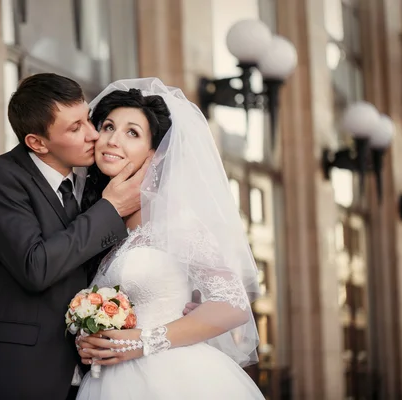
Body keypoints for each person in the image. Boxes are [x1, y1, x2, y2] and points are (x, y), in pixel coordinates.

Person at [0, 73, 149, 400]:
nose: (93, 134)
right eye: (75, 128)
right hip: (18, 375)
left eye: (89, 119)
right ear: (37, 142)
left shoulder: (84, 184)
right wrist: (111, 207)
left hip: (88, 376)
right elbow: (36, 266)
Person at [75, 78, 264, 399]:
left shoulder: (175, 221)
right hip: (108, 381)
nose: (112, 140)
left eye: (132, 132)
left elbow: (233, 306)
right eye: (107, 127)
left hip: (170, 377)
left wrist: (142, 341)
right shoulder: (101, 222)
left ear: (157, 153)